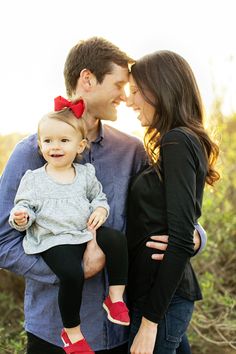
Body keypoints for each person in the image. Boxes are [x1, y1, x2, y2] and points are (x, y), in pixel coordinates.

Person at [0, 37, 205, 354]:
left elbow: (165, 209)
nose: (125, 97)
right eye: (120, 85)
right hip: (54, 332)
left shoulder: (131, 150)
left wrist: (194, 237)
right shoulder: (31, 152)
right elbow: (3, 242)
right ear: (87, 80)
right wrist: (74, 272)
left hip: (120, 332)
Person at [8, 99, 130, 353]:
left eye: (64, 141)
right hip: (51, 239)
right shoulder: (34, 179)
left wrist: (100, 209)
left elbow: (99, 197)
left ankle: (115, 297)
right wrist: (21, 216)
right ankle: (72, 333)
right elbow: (24, 206)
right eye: (48, 141)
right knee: (71, 275)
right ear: (40, 145)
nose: (55, 146)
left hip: (83, 233)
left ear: (80, 145)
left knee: (117, 240)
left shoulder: (85, 174)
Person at [126, 50, 220, 354]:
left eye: (137, 91)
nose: (130, 101)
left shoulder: (177, 141)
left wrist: (150, 323)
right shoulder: (180, 141)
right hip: (157, 296)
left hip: (160, 302)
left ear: (161, 89)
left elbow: (181, 237)